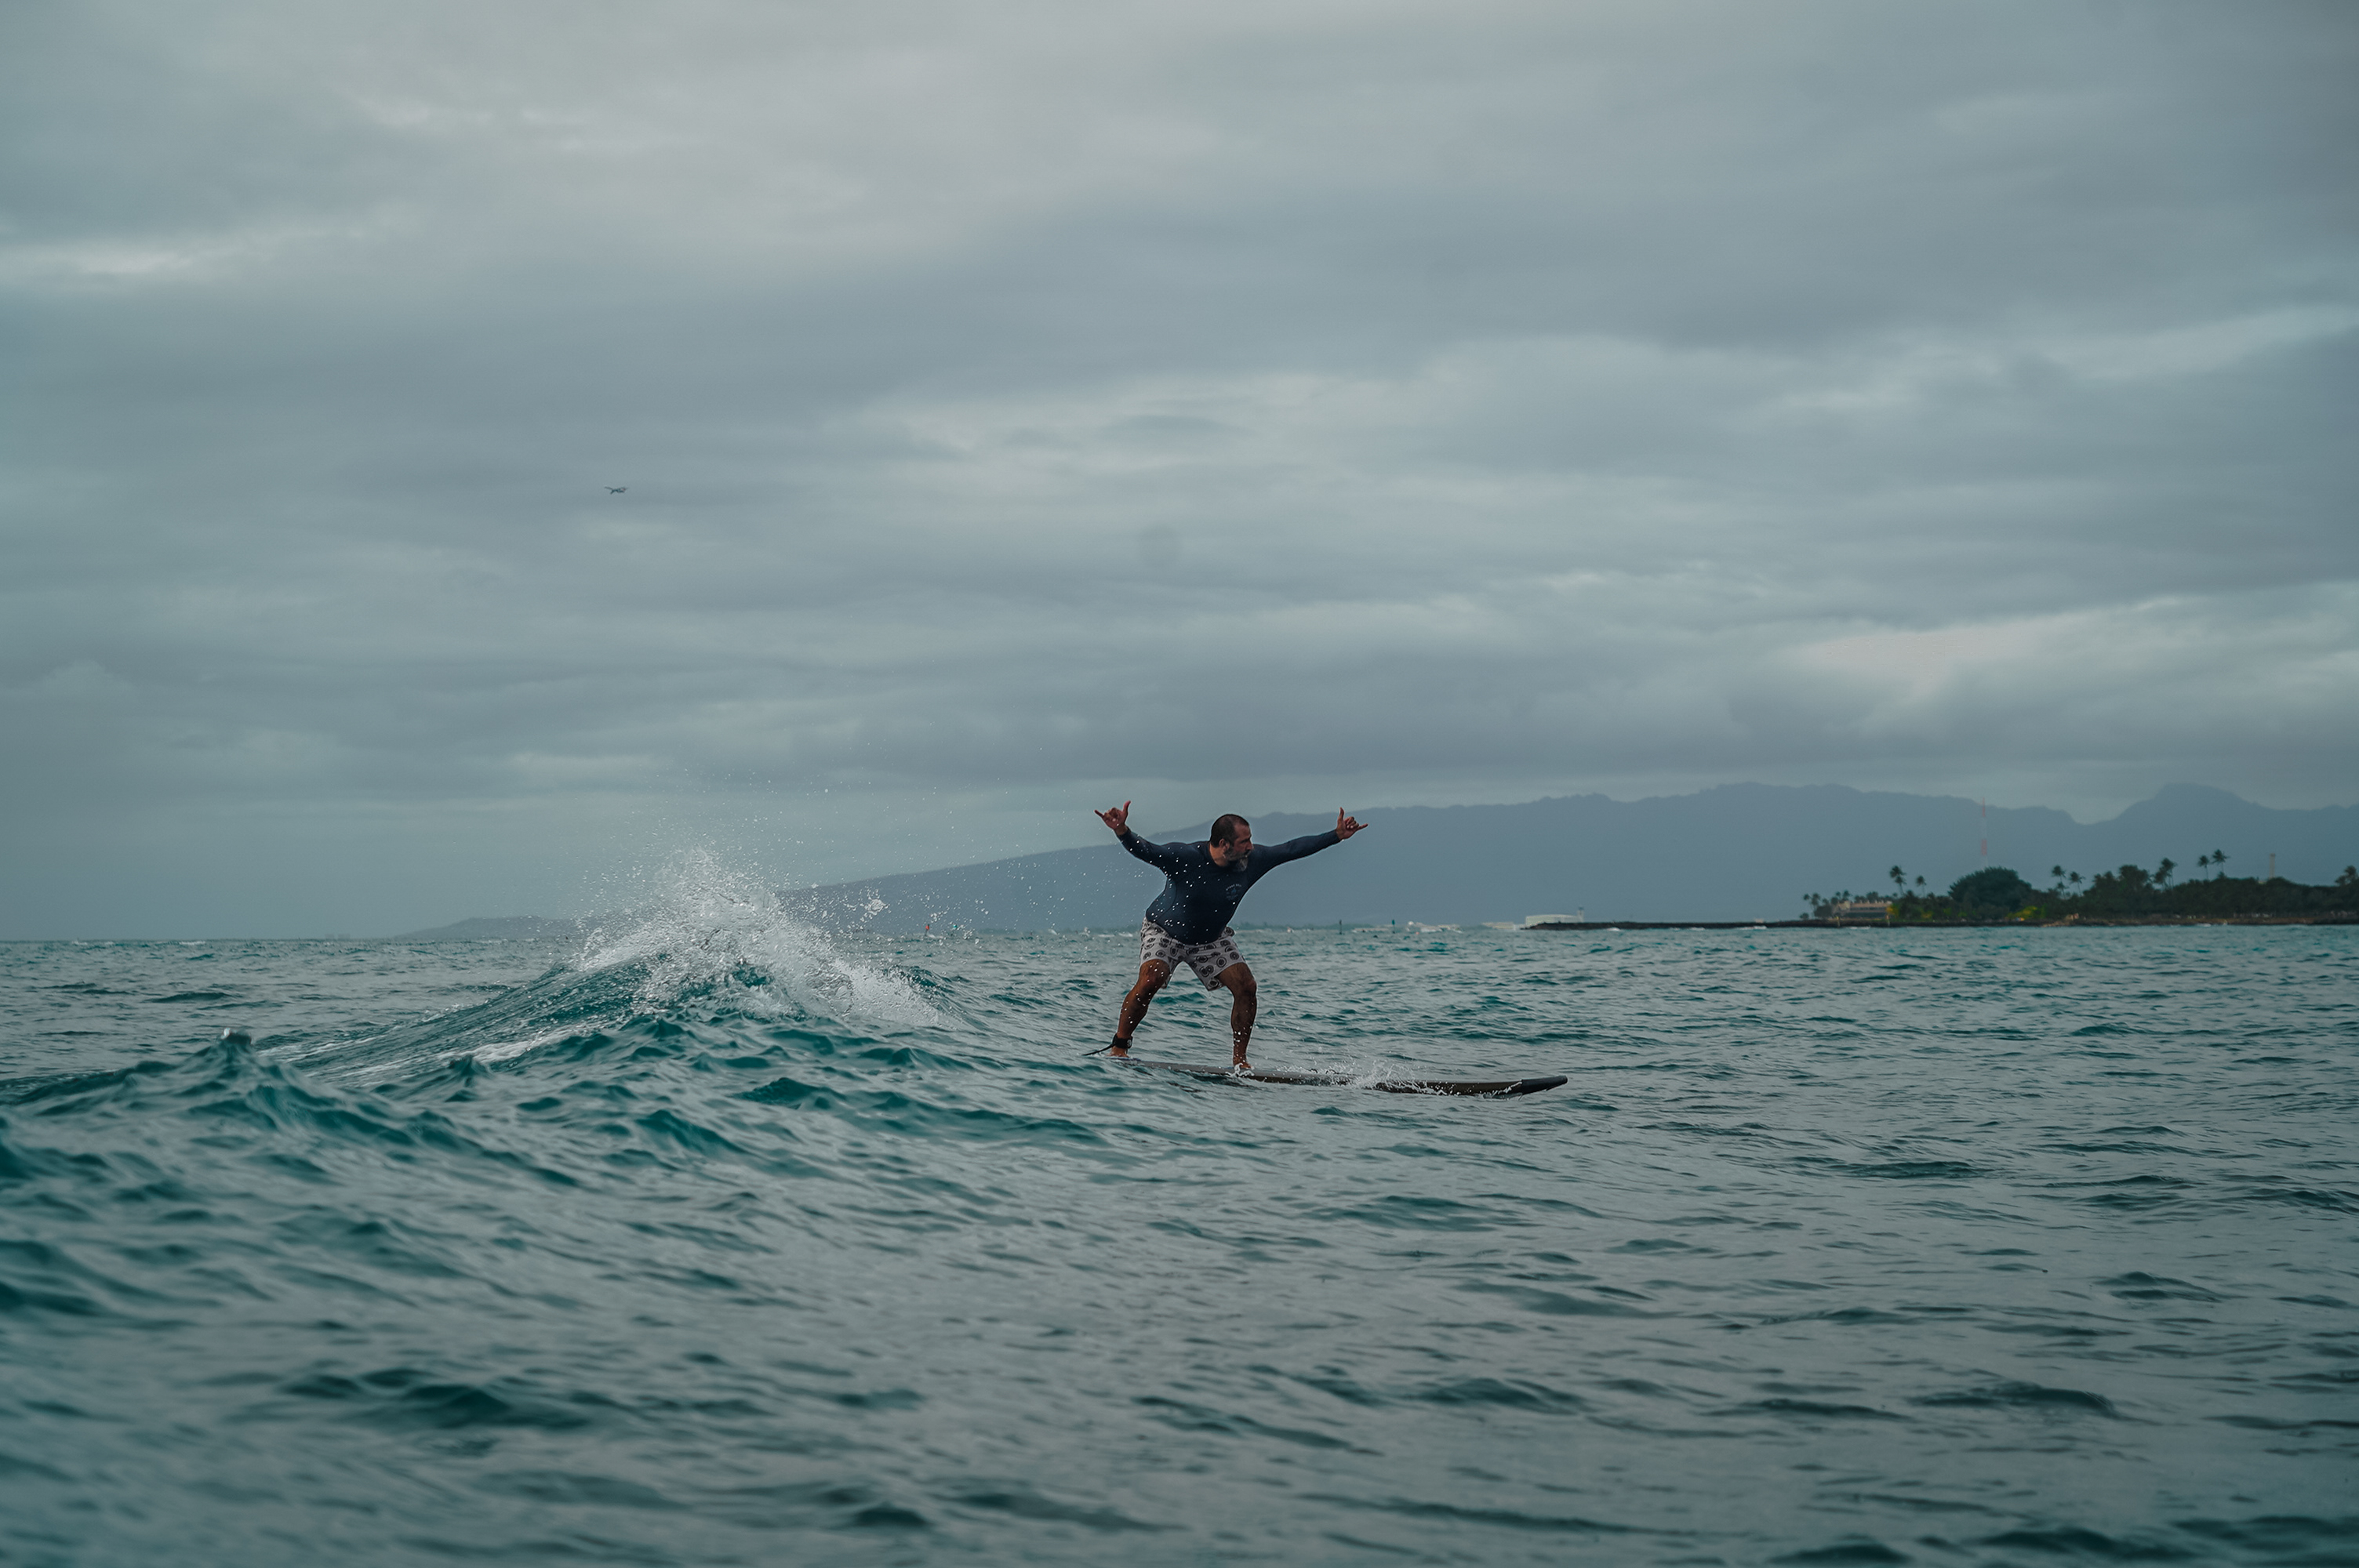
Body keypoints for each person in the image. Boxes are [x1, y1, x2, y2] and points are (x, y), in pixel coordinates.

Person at [1094, 802, 1366, 1070]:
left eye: (1250, 840)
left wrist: (1336, 836)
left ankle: (1240, 1061)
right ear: (1224, 844)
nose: (1250, 846)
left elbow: (1291, 849)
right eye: (1244, 841)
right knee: (1151, 979)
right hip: (1165, 930)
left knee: (1246, 986)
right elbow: (1147, 851)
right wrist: (1122, 831)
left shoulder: (1252, 861)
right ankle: (1119, 1046)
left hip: (1211, 938)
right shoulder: (1186, 857)